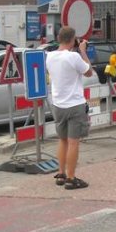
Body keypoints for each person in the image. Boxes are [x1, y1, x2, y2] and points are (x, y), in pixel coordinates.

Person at [45, 26, 94, 190]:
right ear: (73, 40)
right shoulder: (74, 57)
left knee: (62, 140)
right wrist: (83, 51)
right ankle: (71, 178)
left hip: (58, 105)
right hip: (74, 105)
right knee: (74, 142)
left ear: (59, 38)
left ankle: (61, 173)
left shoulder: (49, 57)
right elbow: (89, 72)